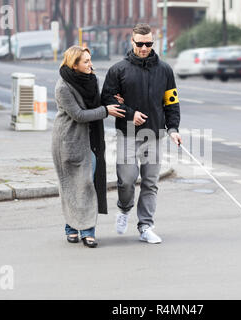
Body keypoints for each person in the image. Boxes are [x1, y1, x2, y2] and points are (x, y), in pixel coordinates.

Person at [101, 23, 182, 244]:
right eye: (140, 44)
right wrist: (129, 114)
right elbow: (106, 100)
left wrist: (173, 129)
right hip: (127, 132)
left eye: (148, 44)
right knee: (126, 179)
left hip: (155, 134)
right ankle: (124, 208)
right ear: (132, 42)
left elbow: (171, 103)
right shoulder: (118, 70)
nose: (144, 48)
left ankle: (145, 226)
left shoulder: (165, 70)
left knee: (150, 182)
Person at [52, 46, 126, 248]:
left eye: (90, 60)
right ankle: (75, 228)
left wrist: (111, 102)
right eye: (86, 61)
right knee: (73, 185)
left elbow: (94, 104)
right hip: (69, 141)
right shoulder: (63, 87)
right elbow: (79, 115)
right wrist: (105, 110)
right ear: (74, 65)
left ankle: (84, 229)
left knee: (86, 184)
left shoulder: (92, 80)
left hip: (91, 140)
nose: (90, 64)